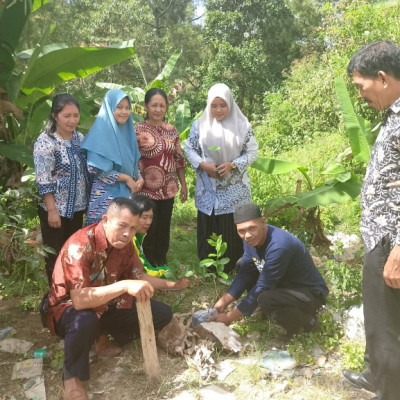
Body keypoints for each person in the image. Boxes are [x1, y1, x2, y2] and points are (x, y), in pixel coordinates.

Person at [47, 197, 191, 400]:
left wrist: (173, 285)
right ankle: (72, 377)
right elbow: (79, 300)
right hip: (69, 310)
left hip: (106, 303)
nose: (127, 234)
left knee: (161, 313)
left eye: (133, 228)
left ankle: (100, 335)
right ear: (106, 220)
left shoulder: (125, 245)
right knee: (85, 319)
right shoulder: (80, 245)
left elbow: (138, 276)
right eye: (122, 226)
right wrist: (124, 285)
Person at [342, 40, 400, 400]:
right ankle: (377, 375)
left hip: (391, 242)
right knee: (380, 323)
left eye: (360, 86)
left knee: (387, 330)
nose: (360, 95)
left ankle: (389, 389)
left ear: (382, 78)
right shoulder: (393, 115)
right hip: (381, 239)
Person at [210, 203, 328, 336]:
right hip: (283, 283)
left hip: (309, 294)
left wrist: (228, 318)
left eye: (252, 228)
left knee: (265, 298)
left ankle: (308, 323)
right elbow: (244, 274)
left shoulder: (279, 246)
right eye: (241, 231)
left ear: (263, 222)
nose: (247, 235)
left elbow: (263, 286)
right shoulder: (250, 239)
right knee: (242, 264)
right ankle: (264, 310)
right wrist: (221, 304)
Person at [184, 83, 258, 273]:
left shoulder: (242, 126)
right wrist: (202, 165)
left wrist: (232, 164)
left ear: (230, 105)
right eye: (214, 105)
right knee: (209, 224)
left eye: (222, 105)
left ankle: (233, 266)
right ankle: (209, 267)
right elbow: (189, 148)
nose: (218, 110)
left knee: (231, 225)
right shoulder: (200, 125)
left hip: (234, 189)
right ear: (208, 105)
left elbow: (251, 152)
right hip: (208, 186)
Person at [34, 93, 91, 284]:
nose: (72, 120)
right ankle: (55, 296)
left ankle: (71, 293)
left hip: (76, 208)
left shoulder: (79, 138)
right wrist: (52, 210)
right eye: (67, 116)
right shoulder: (46, 141)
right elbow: (43, 178)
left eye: (75, 115)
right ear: (54, 115)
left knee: (73, 252)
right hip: (56, 210)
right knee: (55, 253)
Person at [135, 88, 187, 267]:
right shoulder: (138, 130)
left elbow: (179, 159)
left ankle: (161, 263)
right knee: (148, 227)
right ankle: (146, 265)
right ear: (146, 107)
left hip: (168, 189)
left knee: (164, 228)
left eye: (162, 106)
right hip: (145, 190)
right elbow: (131, 158)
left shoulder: (171, 131)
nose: (158, 109)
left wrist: (184, 185)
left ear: (166, 107)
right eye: (154, 105)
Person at [82, 89, 143, 225]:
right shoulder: (99, 133)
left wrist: (139, 177)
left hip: (128, 193)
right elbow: (94, 169)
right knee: (105, 236)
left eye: (127, 108)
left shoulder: (128, 133)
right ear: (109, 108)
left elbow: (131, 162)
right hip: (105, 196)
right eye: (119, 107)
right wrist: (126, 178)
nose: (124, 112)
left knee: (125, 236)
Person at [131, 193, 168, 277]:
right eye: (144, 217)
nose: (149, 222)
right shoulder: (130, 239)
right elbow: (145, 272)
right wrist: (172, 272)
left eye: (151, 217)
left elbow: (145, 265)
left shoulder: (137, 236)